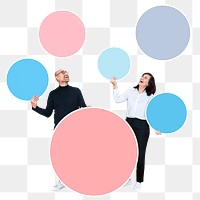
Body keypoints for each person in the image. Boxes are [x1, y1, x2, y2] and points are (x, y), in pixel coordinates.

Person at [31, 69, 87, 191]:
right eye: (62, 72)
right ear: (57, 77)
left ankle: (81, 180)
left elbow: (83, 108)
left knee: (80, 155)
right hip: (60, 130)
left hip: (76, 129)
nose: (66, 73)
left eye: (67, 72)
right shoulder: (53, 94)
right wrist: (35, 107)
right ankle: (62, 181)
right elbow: (47, 113)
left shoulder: (76, 91)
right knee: (62, 157)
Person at [110, 72, 160, 192]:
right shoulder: (130, 91)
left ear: (149, 83)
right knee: (125, 153)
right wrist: (115, 85)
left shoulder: (150, 97)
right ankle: (127, 178)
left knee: (140, 154)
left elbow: (152, 114)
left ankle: (138, 181)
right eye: (142, 76)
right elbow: (117, 99)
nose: (142, 78)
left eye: (146, 78)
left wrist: (157, 127)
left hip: (142, 126)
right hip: (128, 123)